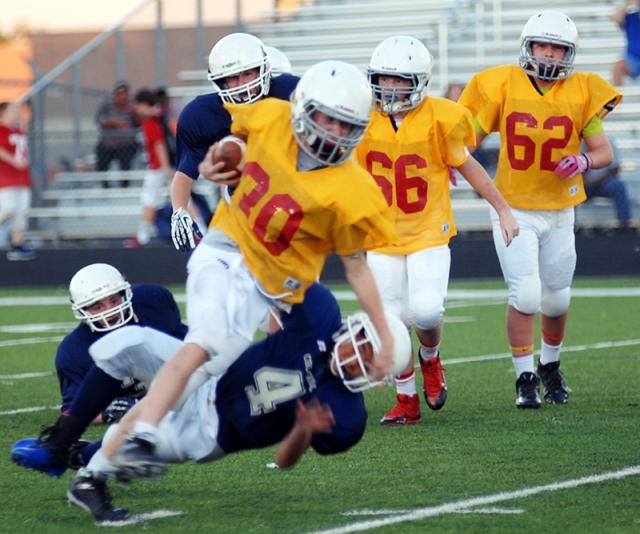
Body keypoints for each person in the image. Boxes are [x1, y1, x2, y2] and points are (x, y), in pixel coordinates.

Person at [112, 60, 398, 474]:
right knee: (203, 344)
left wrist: (385, 336)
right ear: (302, 108)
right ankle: (128, 439)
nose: (333, 133)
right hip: (227, 246)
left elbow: (356, 267)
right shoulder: (270, 114)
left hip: (270, 278)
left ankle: (113, 451)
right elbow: (236, 145)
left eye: (344, 126)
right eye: (326, 120)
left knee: (205, 355)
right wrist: (214, 163)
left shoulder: (353, 189)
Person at [64, 283, 411, 522]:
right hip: (208, 376)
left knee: (130, 449)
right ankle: (68, 433)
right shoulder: (320, 316)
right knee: (128, 342)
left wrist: (303, 430)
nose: (357, 360)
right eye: (362, 346)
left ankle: (86, 475)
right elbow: (272, 281)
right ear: (356, 327)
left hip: (211, 433)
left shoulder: (347, 415)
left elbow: (284, 461)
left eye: (369, 363)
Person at [458, 11, 621, 408]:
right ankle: (524, 377)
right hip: (513, 209)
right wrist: (454, 159)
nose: (549, 53)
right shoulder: (502, 85)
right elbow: (468, 140)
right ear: (528, 46)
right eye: (542, 45)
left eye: (557, 47)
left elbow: (604, 152)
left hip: (561, 209)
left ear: (569, 52)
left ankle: (550, 365)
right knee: (527, 294)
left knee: (557, 299)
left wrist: (582, 162)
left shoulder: (581, 89)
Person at [357, 36, 519, 425]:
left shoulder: (441, 117)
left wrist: (502, 208)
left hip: (428, 229)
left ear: (418, 82)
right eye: (383, 79)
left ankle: (431, 359)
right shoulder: (361, 117)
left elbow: (469, 167)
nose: (389, 88)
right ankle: (406, 401)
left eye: (398, 80)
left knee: (426, 312)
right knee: (391, 322)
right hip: (381, 235)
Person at [11, 263, 187, 477]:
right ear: (82, 311)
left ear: (126, 294)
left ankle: (77, 455)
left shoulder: (152, 300)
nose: (110, 311)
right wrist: (114, 409)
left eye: (114, 300)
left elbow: (186, 343)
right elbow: (73, 412)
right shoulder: (73, 352)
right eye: (97, 306)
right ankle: (80, 456)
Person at [169, 32, 299, 251]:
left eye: (247, 73)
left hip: (293, 203)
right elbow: (184, 173)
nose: (241, 84)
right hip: (240, 208)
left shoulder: (291, 93)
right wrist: (179, 210)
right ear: (220, 81)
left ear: (265, 71)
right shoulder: (202, 114)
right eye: (232, 77)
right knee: (207, 267)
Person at [131, 89, 173, 246]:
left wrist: (165, 167)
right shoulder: (154, 120)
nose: (137, 109)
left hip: (157, 169)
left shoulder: (151, 122)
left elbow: (159, 145)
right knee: (181, 199)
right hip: (159, 167)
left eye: (139, 105)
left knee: (150, 201)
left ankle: (142, 236)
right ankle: (200, 229)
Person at [0, 102, 35, 261]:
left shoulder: (18, 130)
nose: (15, 115)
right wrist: (13, 161)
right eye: (11, 112)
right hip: (6, 176)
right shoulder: (2, 130)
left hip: (22, 177)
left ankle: (17, 244)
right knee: (8, 209)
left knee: (21, 212)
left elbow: (25, 121)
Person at [582, 138, 633, 231]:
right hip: (586, 185)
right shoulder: (580, 146)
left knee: (619, 186)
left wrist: (598, 181)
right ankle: (570, 225)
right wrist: (585, 181)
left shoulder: (608, 143)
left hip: (605, 184)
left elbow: (615, 169)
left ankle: (624, 223)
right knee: (571, 189)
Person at [94, 81, 139, 187]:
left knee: (126, 157)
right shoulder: (106, 106)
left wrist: (134, 114)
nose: (122, 97)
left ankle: (124, 186)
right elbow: (102, 121)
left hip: (126, 144)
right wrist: (118, 123)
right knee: (101, 158)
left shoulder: (131, 108)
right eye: (119, 94)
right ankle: (105, 186)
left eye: (125, 94)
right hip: (108, 144)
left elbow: (138, 124)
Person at [612, 1, 640, 87]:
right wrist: (628, 3)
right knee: (618, 66)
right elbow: (616, 18)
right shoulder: (631, 17)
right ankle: (616, 98)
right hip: (632, 58)